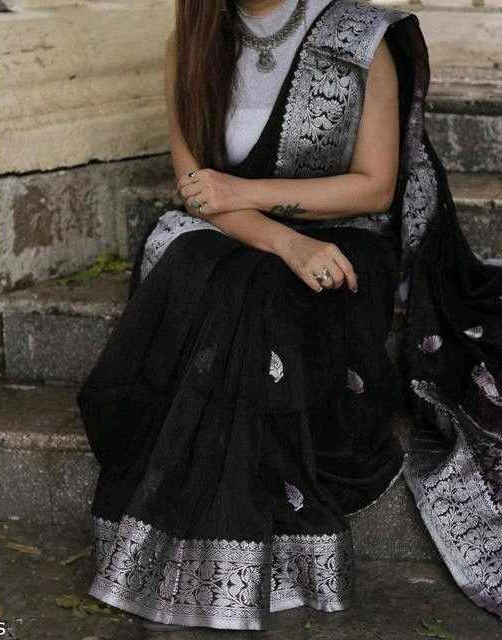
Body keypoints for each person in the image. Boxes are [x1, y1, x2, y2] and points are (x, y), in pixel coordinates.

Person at [76, 0, 502, 633]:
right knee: (215, 271)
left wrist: (251, 195)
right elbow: (197, 192)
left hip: (347, 238)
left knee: (248, 292)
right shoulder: (190, 46)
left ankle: (230, 549)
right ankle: (209, 554)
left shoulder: (360, 36)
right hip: (241, 234)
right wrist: (285, 242)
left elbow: (375, 187)